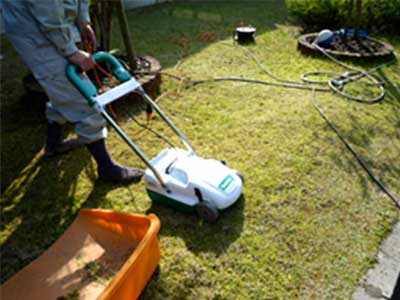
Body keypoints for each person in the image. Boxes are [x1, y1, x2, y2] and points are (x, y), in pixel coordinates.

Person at [2, 0, 143, 184]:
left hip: (48, 25)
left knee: (61, 92)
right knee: (81, 98)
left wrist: (83, 21)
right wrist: (70, 51)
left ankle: (54, 144)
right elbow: (48, 11)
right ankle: (106, 168)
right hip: (35, 34)